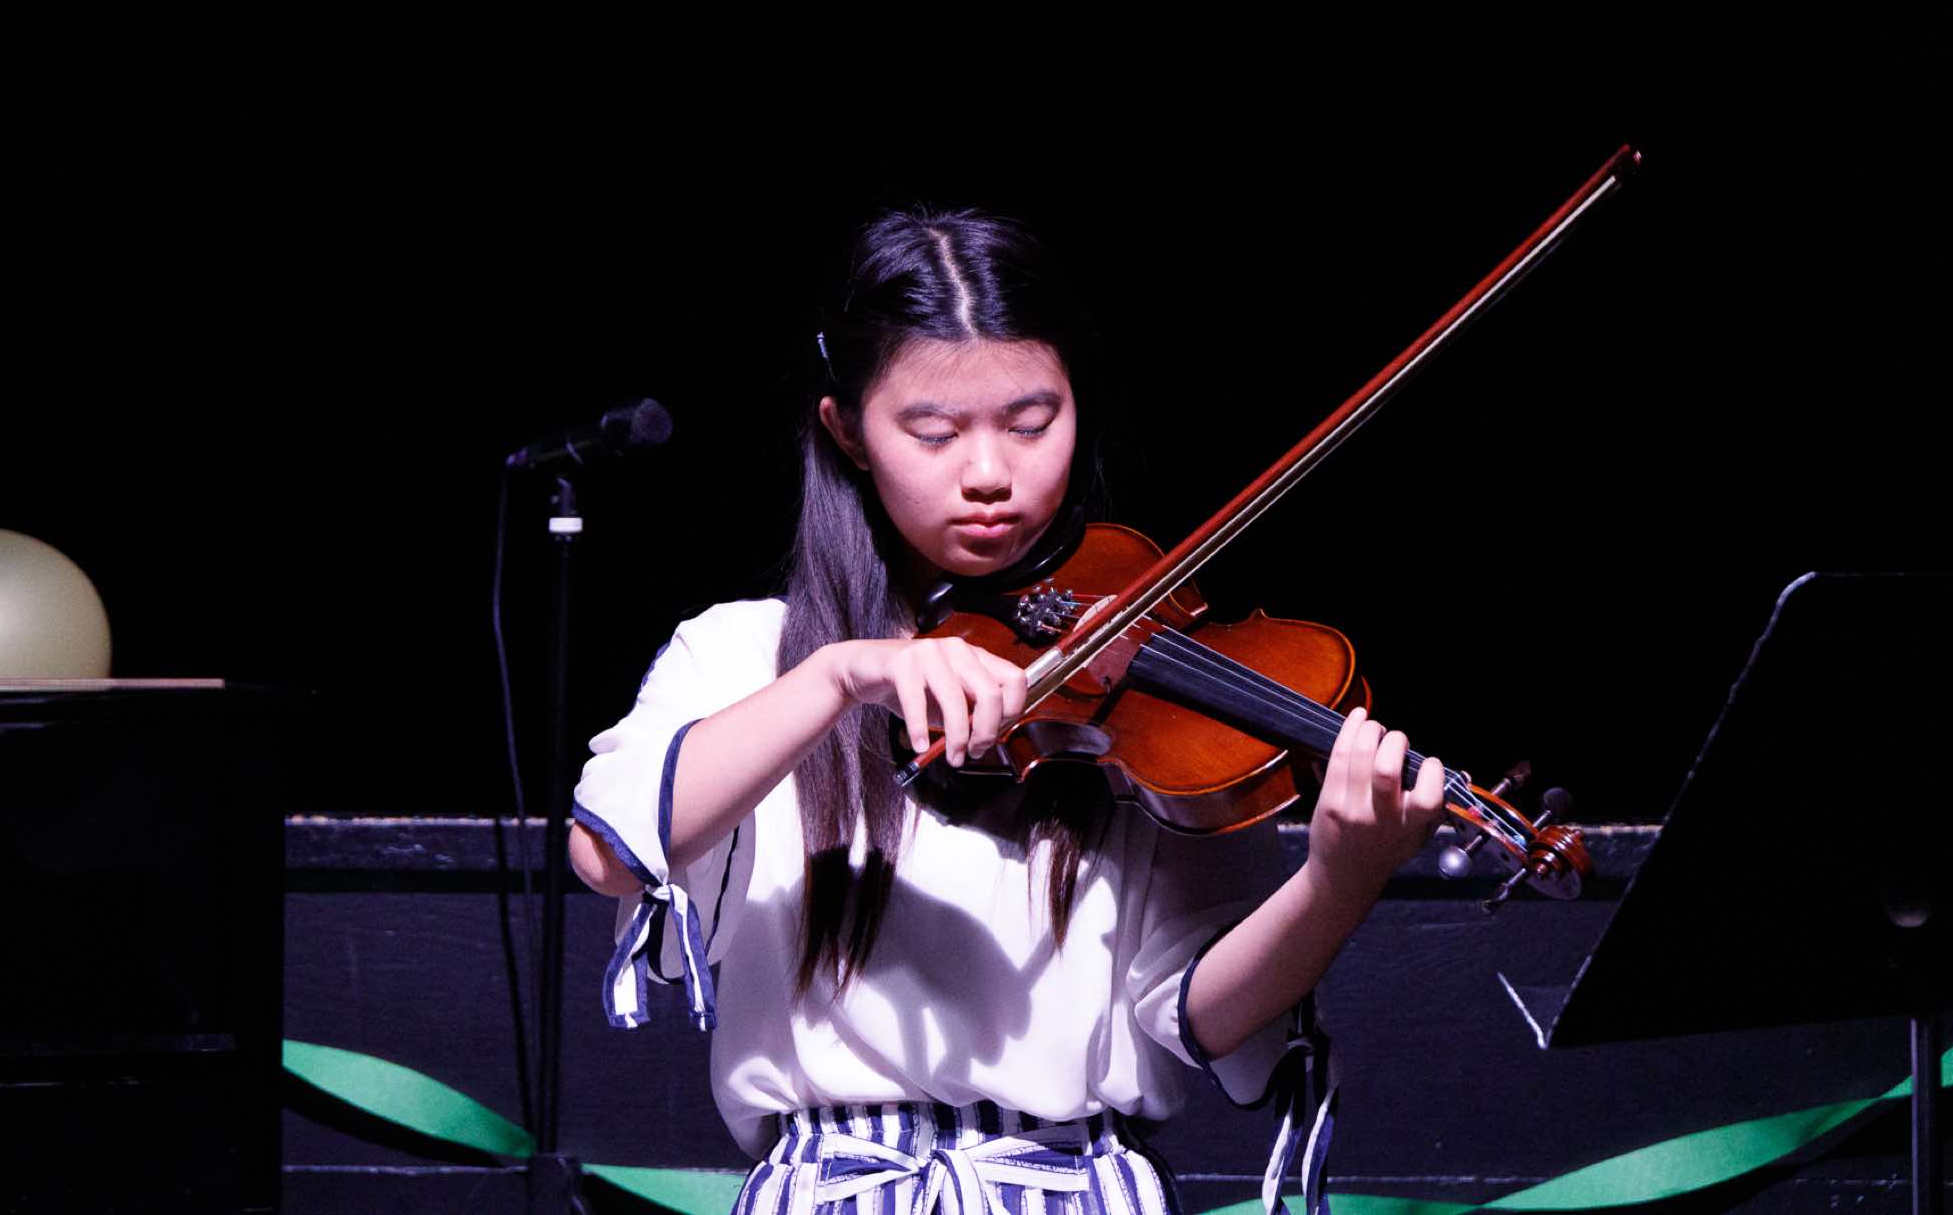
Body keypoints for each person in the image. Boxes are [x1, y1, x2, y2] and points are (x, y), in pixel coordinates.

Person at [568, 208, 1446, 1215]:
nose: (989, 474)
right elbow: (609, 851)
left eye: (1031, 424)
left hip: (1080, 1187)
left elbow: (1202, 1012)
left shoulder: (1136, 681)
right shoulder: (741, 655)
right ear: (847, 431)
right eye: (933, 432)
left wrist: (1337, 879)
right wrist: (838, 677)